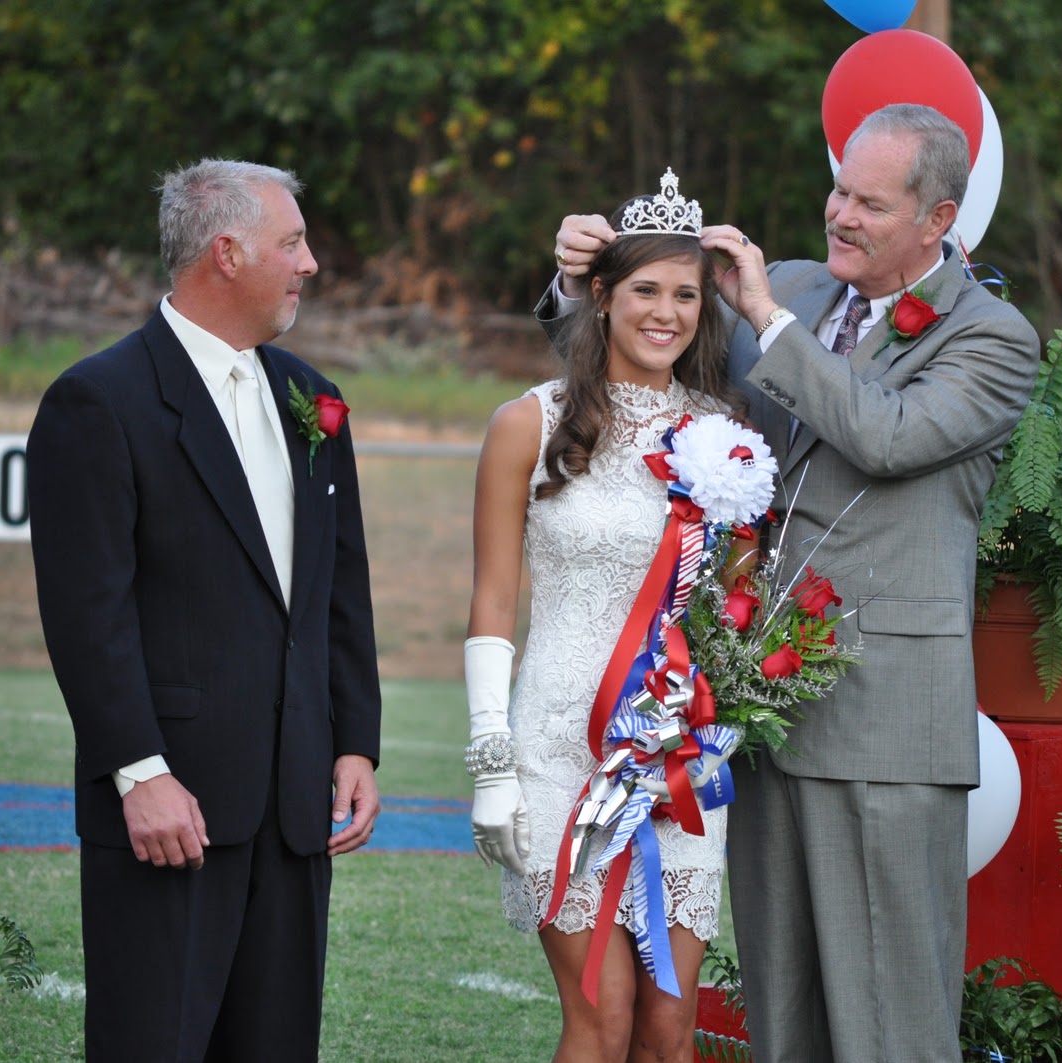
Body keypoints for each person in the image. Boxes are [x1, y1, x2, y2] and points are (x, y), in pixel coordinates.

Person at [542, 105, 1041, 1061]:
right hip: (763, 711)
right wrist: (576, 281)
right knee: (786, 1010)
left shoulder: (992, 337)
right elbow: (644, 351)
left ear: (937, 221)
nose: (839, 215)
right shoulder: (803, 293)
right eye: (839, 190)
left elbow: (889, 438)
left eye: (870, 203)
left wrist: (766, 317)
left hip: (889, 720)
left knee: (892, 1017)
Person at [27, 158, 382, 1063]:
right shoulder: (96, 401)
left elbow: (340, 588)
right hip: (169, 808)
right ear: (226, 253)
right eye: (292, 242)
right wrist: (139, 772)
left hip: (296, 806)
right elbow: (86, 611)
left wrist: (353, 742)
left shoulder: (313, 395)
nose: (309, 264)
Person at [468, 170, 743, 1063]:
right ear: (600, 295)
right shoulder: (528, 424)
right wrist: (489, 760)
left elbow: (738, 600)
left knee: (670, 1028)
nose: (666, 312)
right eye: (646, 291)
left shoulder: (722, 439)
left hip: (675, 760)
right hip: (559, 749)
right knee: (603, 1015)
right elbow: (492, 600)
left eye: (686, 294)